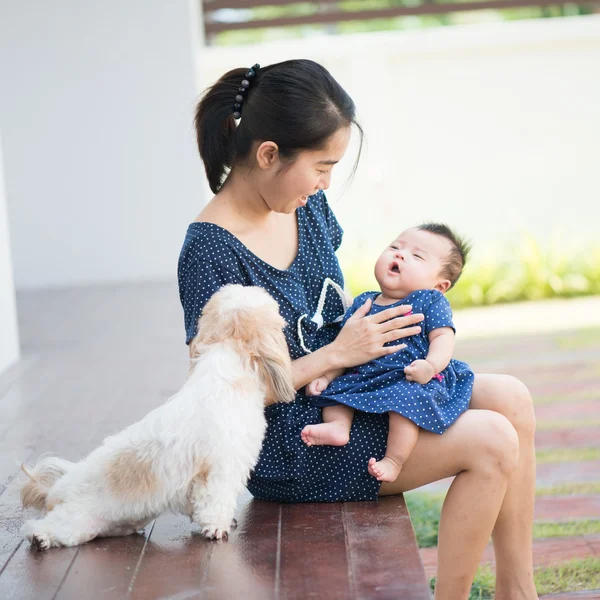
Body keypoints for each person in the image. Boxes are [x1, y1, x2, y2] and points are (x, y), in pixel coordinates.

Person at [178, 60, 537, 600]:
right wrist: (335, 356)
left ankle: (518, 590)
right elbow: (221, 400)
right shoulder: (210, 250)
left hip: (355, 386)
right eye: (322, 166)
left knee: (512, 398)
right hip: (292, 441)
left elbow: (329, 304)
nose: (326, 183)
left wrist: (384, 339)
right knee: (492, 440)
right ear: (269, 154)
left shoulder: (304, 204)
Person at [301, 224, 475, 484]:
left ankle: (394, 460)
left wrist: (430, 365)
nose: (400, 255)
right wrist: (326, 376)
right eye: (395, 247)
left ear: (439, 285)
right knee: (335, 393)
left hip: (407, 377)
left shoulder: (430, 302)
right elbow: (344, 348)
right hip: (364, 375)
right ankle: (339, 427)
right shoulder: (363, 302)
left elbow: (442, 338)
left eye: (417, 256)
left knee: (405, 407)